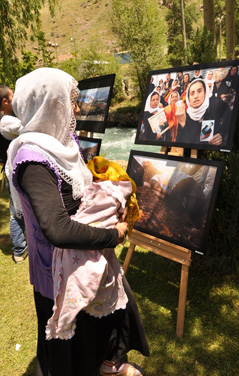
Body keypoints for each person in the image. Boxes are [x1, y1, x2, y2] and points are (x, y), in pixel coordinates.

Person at [5, 68, 149, 376]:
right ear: (50, 104)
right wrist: (114, 234)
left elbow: (75, 191)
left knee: (102, 320)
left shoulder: (59, 142)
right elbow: (58, 228)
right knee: (72, 345)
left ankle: (107, 364)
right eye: (72, 100)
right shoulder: (32, 159)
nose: (79, 108)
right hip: (59, 271)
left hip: (83, 258)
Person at [46, 156, 140, 341]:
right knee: (89, 280)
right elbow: (124, 220)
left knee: (80, 283)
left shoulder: (104, 192)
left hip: (82, 245)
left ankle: (64, 321)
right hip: (84, 242)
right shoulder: (118, 195)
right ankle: (67, 321)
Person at [0, 85, 28, 263]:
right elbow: (29, 127)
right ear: (5, 101)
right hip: (15, 171)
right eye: (13, 96)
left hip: (12, 170)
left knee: (17, 208)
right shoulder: (5, 122)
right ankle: (19, 249)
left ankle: (21, 247)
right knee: (16, 210)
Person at [176, 78, 223, 145]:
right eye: (192, 94)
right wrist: (182, 124)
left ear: (205, 93)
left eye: (199, 91)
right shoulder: (184, 115)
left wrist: (220, 137)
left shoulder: (212, 112)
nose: (196, 96)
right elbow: (180, 144)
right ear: (188, 98)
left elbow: (221, 133)